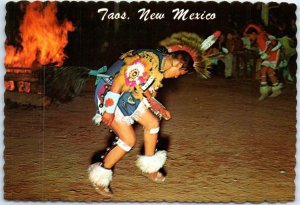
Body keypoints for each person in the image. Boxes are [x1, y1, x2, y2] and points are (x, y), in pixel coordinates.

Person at [88, 32, 219, 197]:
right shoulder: (147, 62)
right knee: (128, 140)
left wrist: (157, 106)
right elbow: (119, 81)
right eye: (180, 74)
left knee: (152, 124)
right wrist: (108, 110)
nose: (177, 76)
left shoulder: (160, 63)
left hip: (129, 95)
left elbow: (143, 86)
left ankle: (150, 168)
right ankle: (100, 177)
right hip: (109, 94)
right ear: (178, 64)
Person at [243, 23, 283, 101]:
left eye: (249, 36)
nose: (249, 38)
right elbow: (252, 26)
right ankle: (266, 91)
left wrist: (263, 57)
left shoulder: (262, 36)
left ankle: (273, 90)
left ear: (253, 33)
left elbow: (272, 44)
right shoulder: (258, 38)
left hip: (275, 55)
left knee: (269, 71)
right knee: (264, 71)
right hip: (268, 56)